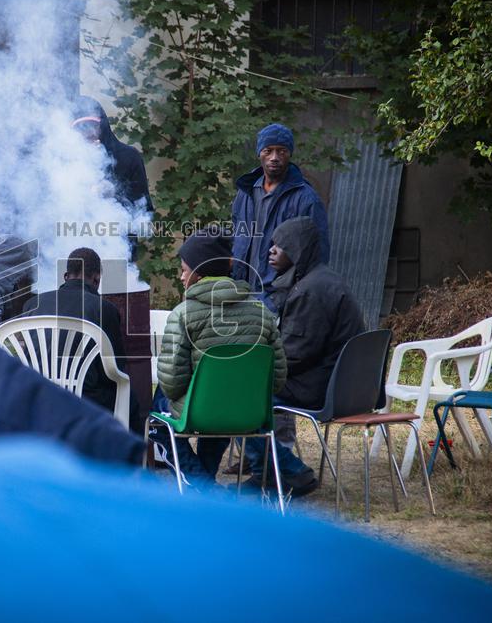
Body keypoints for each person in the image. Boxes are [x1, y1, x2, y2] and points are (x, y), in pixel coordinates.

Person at [154, 228, 287, 489]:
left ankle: (206, 491)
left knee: (157, 422)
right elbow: (278, 378)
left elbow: (171, 383)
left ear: (199, 273)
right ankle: (207, 489)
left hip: (201, 413)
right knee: (219, 415)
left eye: (184, 269)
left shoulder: (183, 314)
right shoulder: (262, 313)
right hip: (248, 415)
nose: (181, 276)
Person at [243, 216, 366, 495]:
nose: (271, 251)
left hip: (321, 387)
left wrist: (250, 367)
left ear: (299, 249)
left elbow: (294, 355)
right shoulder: (321, 279)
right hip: (342, 383)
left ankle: (291, 471)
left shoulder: (311, 290)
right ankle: (266, 475)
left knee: (241, 399)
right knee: (248, 392)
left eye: (281, 245)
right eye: (272, 244)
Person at [230, 123, 329, 312]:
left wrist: (300, 297)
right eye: (268, 151)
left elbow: (318, 256)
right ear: (259, 153)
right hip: (242, 294)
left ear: (290, 154)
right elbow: (236, 237)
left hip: (280, 299)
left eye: (281, 151)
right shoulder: (245, 193)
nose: (274, 157)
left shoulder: (306, 199)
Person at [22, 248, 130, 420]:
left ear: (66, 276)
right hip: (86, 403)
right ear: (97, 279)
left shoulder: (32, 305)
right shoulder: (105, 310)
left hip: (36, 397)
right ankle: (137, 444)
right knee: (128, 392)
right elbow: (115, 366)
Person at [71, 96, 153, 213]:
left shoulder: (129, 156)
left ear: (103, 126)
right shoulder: (66, 161)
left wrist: (114, 195)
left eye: (93, 125)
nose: (89, 133)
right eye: (82, 127)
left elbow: (144, 209)